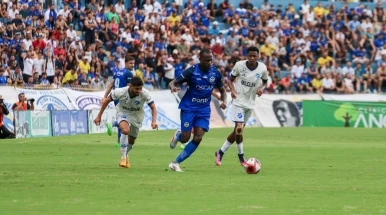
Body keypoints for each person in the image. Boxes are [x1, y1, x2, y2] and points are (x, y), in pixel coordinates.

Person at [168, 48, 227, 172]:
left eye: (211, 60)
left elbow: (223, 91)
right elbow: (173, 82)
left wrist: (224, 101)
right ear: (200, 60)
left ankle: (175, 163)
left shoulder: (215, 72)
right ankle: (178, 135)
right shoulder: (192, 70)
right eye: (206, 60)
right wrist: (173, 87)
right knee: (185, 138)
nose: (209, 62)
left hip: (204, 109)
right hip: (189, 107)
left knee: (198, 137)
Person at [214, 46, 268, 166]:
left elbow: (265, 82)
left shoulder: (263, 68)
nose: (252, 58)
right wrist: (232, 90)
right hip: (238, 101)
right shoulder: (239, 65)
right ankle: (241, 157)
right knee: (239, 129)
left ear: (258, 56)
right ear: (246, 56)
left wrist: (261, 89)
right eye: (250, 56)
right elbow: (230, 80)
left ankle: (220, 152)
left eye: (255, 56)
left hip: (250, 103)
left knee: (237, 131)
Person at [94, 77, 158, 168]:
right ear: (130, 86)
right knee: (125, 130)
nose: (139, 90)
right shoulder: (120, 92)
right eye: (137, 88)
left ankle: (125, 153)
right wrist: (99, 116)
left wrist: (154, 121)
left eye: (140, 88)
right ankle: (123, 158)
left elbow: (153, 107)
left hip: (137, 116)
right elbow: (106, 101)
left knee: (131, 141)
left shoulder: (145, 93)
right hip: (123, 112)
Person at [104, 56, 134, 146]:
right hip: (123, 98)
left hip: (115, 98)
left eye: (133, 63)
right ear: (126, 63)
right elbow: (129, 88)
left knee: (122, 118)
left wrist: (105, 97)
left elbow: (110, 85)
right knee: (126, 120)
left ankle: (119, 142)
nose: (132, 65)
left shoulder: (117, 72)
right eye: (130, 63)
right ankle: (113, 123)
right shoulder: (128, 73)